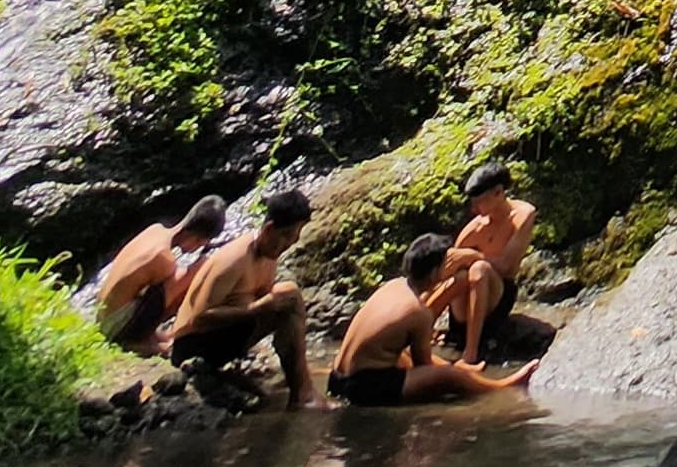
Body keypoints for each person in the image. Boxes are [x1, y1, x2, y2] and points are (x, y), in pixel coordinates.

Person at [331, 235, 539, 407]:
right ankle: (504, 386)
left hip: (337, 378)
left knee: (402, 355)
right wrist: (456, 374)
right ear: (434, 272)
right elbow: (425, 366)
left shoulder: (393, 286)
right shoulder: (418, 312)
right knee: (449, 378)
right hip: (363, 388)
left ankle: (464, 372)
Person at [165, 185, 315, 407]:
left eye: (295, 237)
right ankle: (303, 394)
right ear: (269, 229)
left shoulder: (268, 255)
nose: (290, 243)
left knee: (286, 300)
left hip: (226, 337)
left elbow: (266, 302)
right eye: (287, 236)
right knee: (289, 294)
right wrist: (256, 309)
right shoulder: (234, 258)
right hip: (191, 346)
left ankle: (298, 378)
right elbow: (200, 317)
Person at [428, 161, 538, 357]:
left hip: (497, 298)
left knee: (479, 268)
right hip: (462, 314)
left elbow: (507, 267)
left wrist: (472, 255)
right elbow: (443, 275)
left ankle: (471, 353)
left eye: (480, 201)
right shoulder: (473, 229)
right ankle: (420, 330)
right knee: (461, 276)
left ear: (498, 192)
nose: (474, 208)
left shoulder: (522, 215)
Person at [93, 194, 229, 353]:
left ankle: (151, 336)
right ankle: (137, 341)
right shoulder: (163, 258)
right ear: (195, 236)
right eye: (201, 242)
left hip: (101, 316)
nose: (198, 247)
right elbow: (162, 298)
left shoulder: (155, 230)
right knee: (195, 272)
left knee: (178, 279)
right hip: (113, 328)